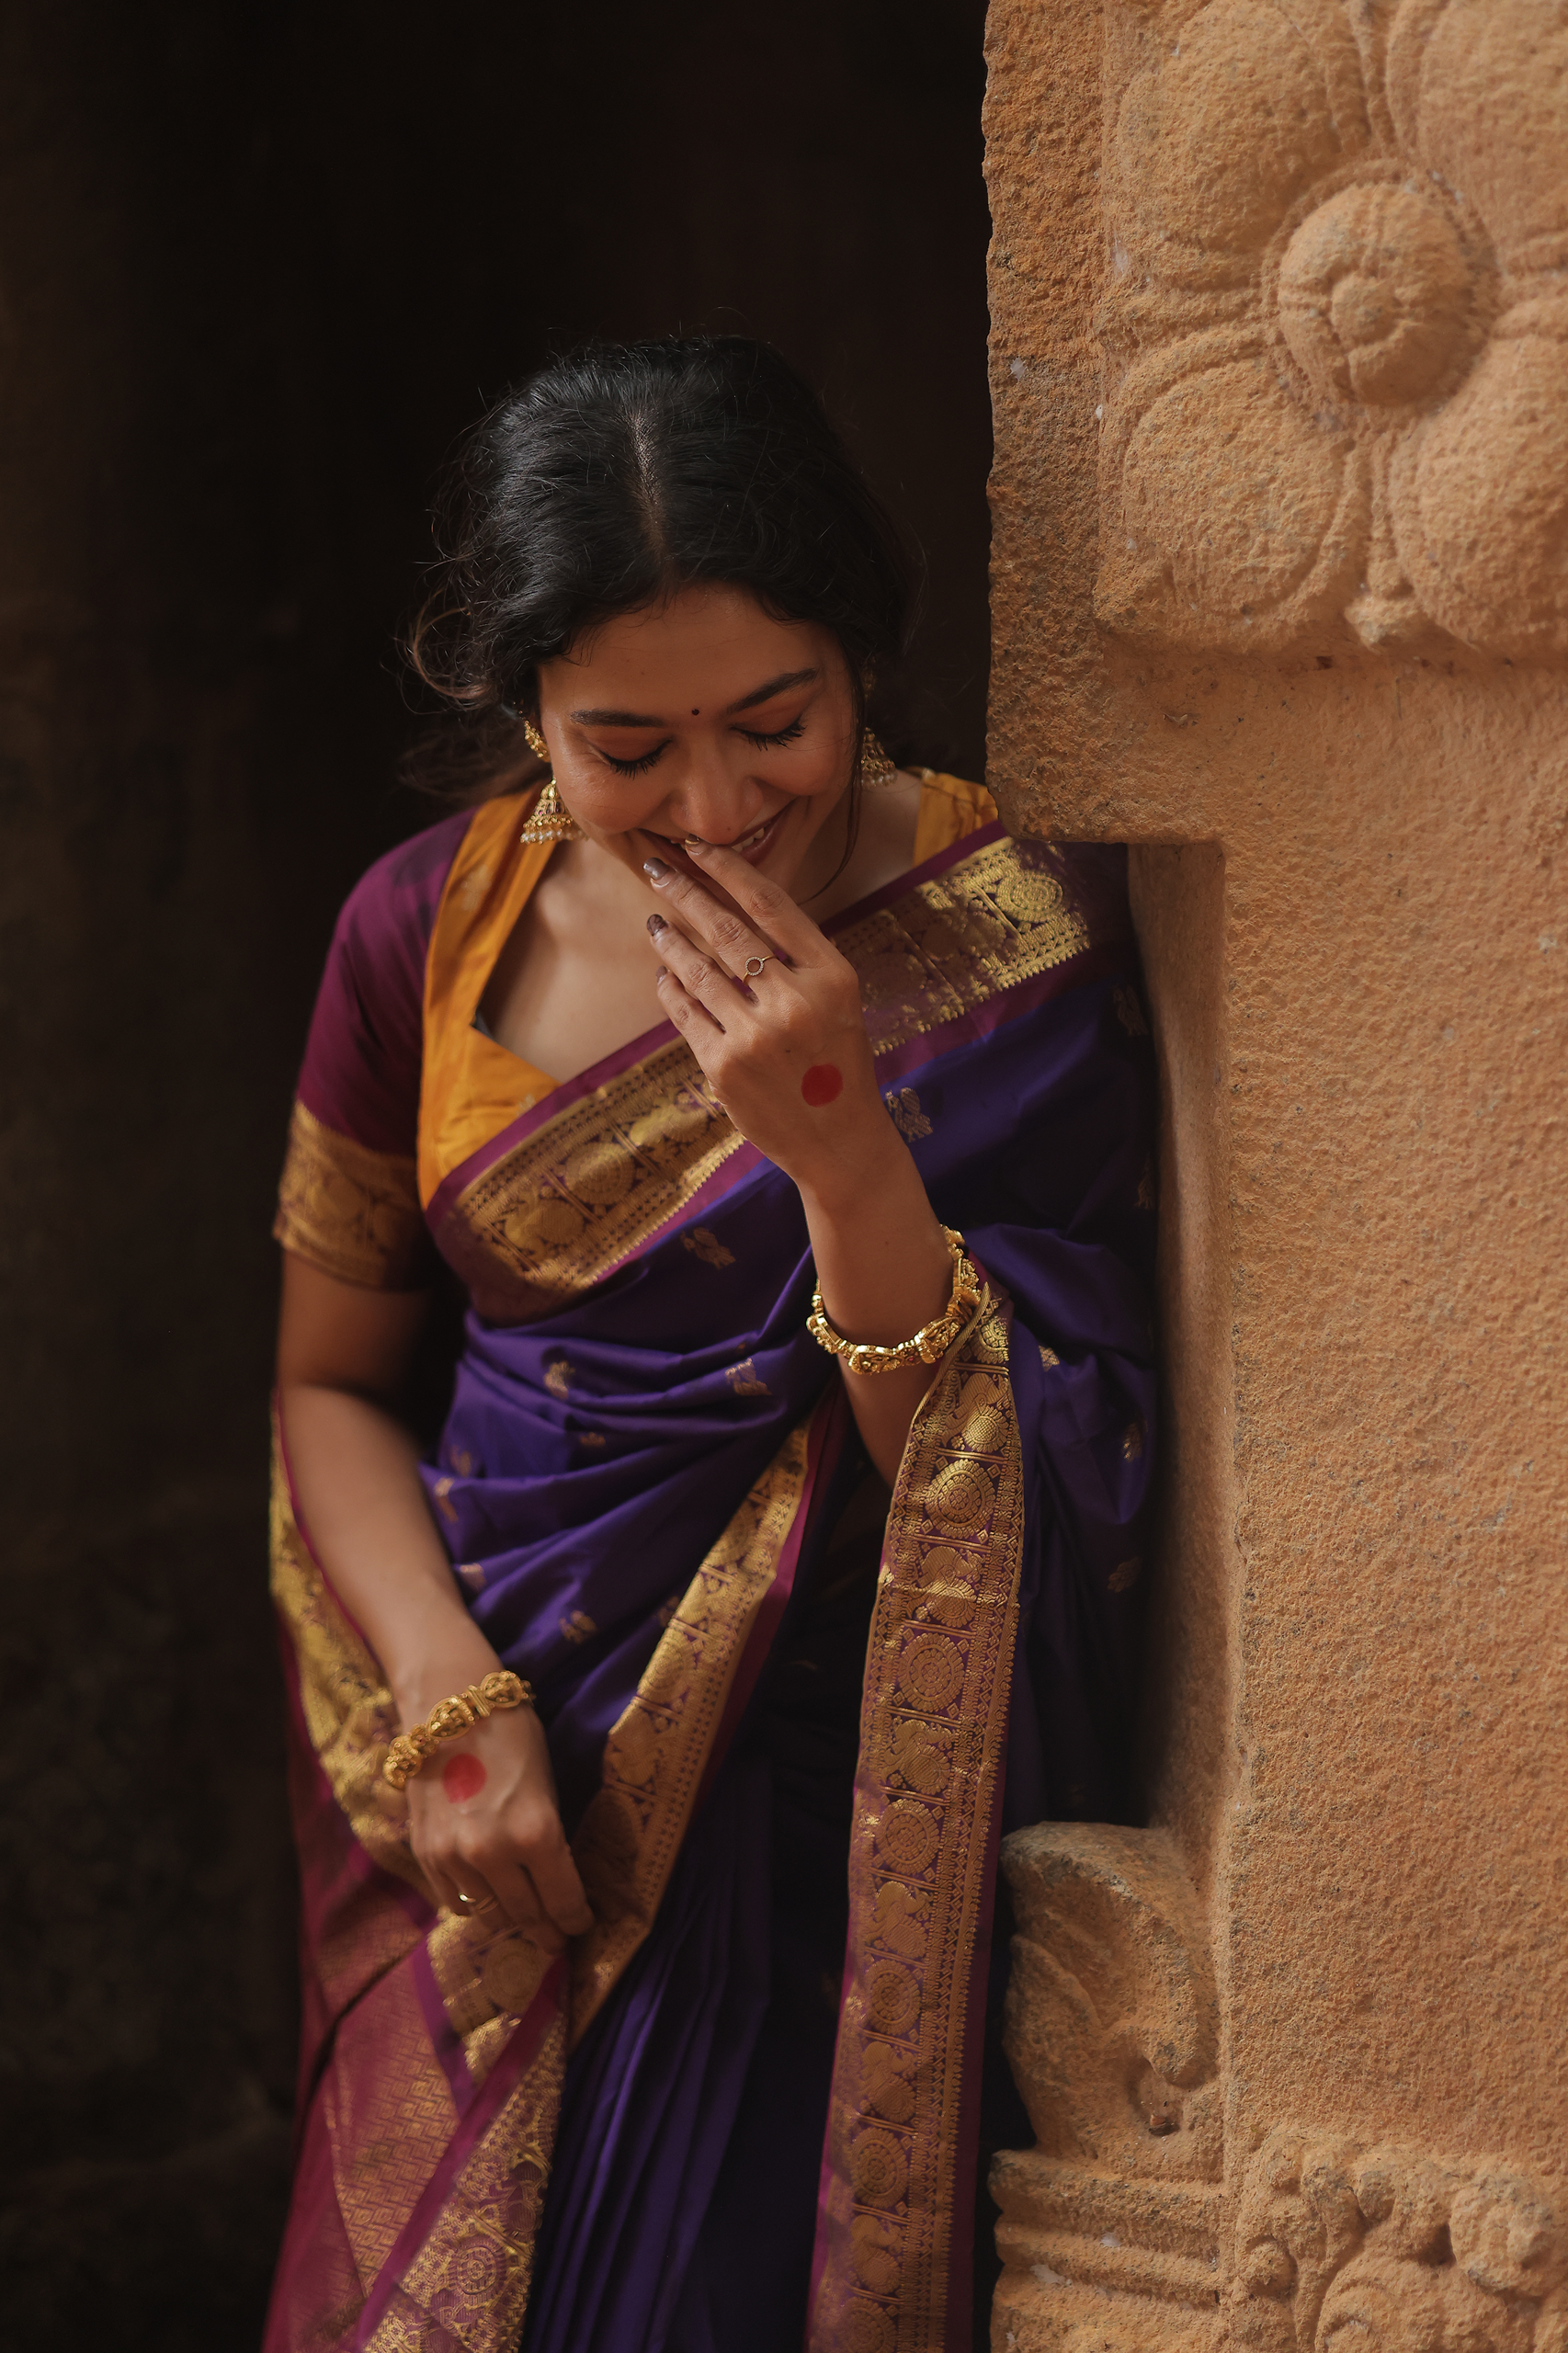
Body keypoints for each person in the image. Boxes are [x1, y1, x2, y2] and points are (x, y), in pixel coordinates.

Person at [265, 336, 1155, 2353]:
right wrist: (442, 1696)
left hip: (818, 1843)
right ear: (518, 715)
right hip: (492, 1789)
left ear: (860, 659)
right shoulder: (421, 931)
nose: (718, 804)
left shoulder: (1016, 945)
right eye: (624, 747)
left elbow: (1033, 1452)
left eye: (777, 721)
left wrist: (842, 1144)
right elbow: (330, 1379)